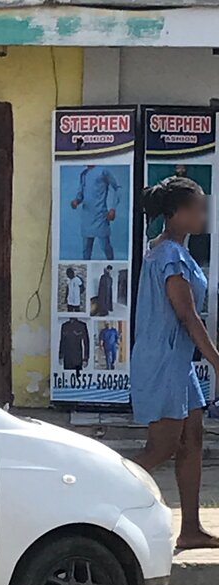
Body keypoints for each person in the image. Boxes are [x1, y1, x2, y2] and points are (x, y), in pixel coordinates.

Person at [132, 175, 219, 549]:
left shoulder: (171, 250)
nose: (204, 214)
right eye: (199, 207)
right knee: (162, 446)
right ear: (178, 213)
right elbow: (186, 313)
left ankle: (191, 528)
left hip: (178, 361)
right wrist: (217, 361)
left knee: (193, 439)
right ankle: (90, 493)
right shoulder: (168, 254)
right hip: (164, 359)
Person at [71, 165, 121, 260]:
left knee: (105, 247)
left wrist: (113, 208)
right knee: (86, 250)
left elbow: (118, 187)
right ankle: (87, 272)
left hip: (101, 216)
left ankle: (111, 265)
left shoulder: (103, 171)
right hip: (87, 218)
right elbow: (81, 195)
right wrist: (76, 201)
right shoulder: (84, 174)